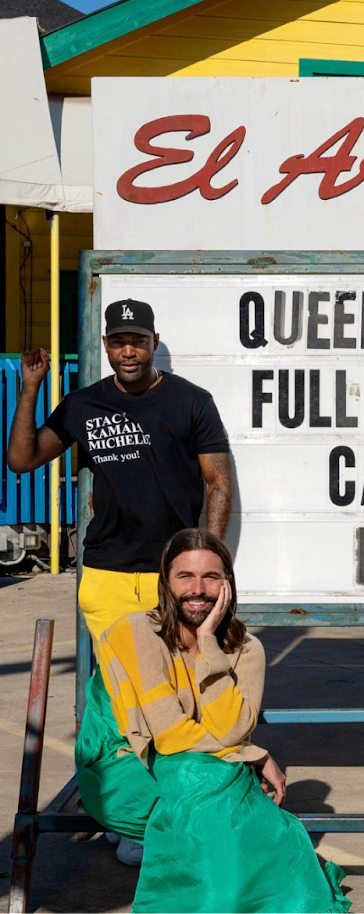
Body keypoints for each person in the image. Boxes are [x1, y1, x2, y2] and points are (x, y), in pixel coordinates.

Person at [5, 298, 234, 865]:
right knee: (122, 703)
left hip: (168, 578)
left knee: (176, 695)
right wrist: (31, 388)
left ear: (154, 341)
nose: (128, 350)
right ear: (106, 346)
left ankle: (167, 808)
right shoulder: (85, 404)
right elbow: (22, 459)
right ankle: (132, 817)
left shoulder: (190, 402)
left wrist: (205, 562)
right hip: (106, 575)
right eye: (117, 341)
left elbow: (219, 484)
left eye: (137, 339)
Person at [84, 528, 349, 913]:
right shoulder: (137, 631)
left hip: (199, 772)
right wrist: (253, 755)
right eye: (185, 576)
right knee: (220, 789)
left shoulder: (246, 650)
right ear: (166, 583)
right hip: (122, 768)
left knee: (213, 787)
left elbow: (231, 731)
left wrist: (209, 643)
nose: (198, 589)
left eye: (211, 576)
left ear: (228, 583)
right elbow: (170, 733)